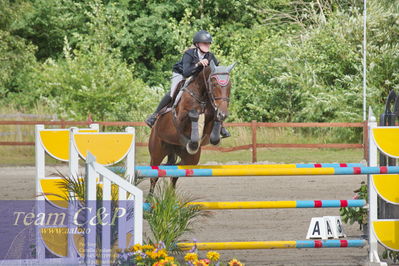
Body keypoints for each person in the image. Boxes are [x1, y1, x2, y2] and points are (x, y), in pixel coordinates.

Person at [145, 30, 230, 138]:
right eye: (204, 43)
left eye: (208, 43)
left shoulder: (210, 56)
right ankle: (154, 115)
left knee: (212, 95)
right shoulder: (189, 54)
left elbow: (215, 71)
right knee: (173, 92)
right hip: (182, 74)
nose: (207, 45)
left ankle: (220, 125)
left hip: (199, 78)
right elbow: (186, 72)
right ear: (197, 44)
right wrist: (198, 63)